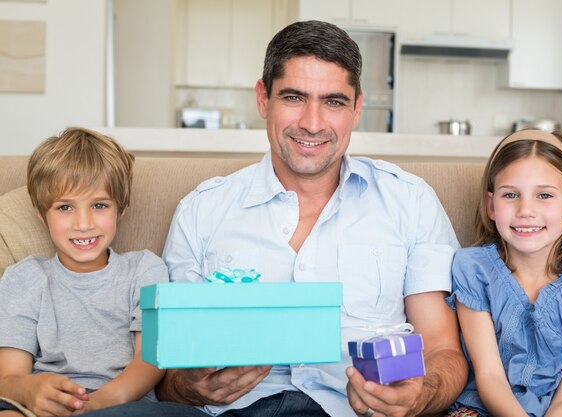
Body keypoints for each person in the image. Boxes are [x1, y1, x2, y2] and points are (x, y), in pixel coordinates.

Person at [76, 20, 468, 417]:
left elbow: (443, 350)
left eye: (333, 101)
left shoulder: (409, 200)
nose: (312, 123)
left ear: (357, 107)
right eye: (294, 97)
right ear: (263, 98)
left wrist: (420, 394)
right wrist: (190, 387)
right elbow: (172, 371)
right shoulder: (202, 210)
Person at [445, 129, 562, 417]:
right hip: (484, 411)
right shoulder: (473, 269)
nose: (526, 209)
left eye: (544, 195)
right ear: (491, 206)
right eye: (511, 194)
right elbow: (490, 377)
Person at [0, 127, 169, 416]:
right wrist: (30, 390)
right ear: (42, 215)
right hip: (43, 405)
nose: (83, 223)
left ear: (120, 210)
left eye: (99, 205)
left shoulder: (145, 269)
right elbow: (9, 379)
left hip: (122, 404)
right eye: (65, 207)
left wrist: (99, 402)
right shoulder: (24, 278)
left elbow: (151, 359)